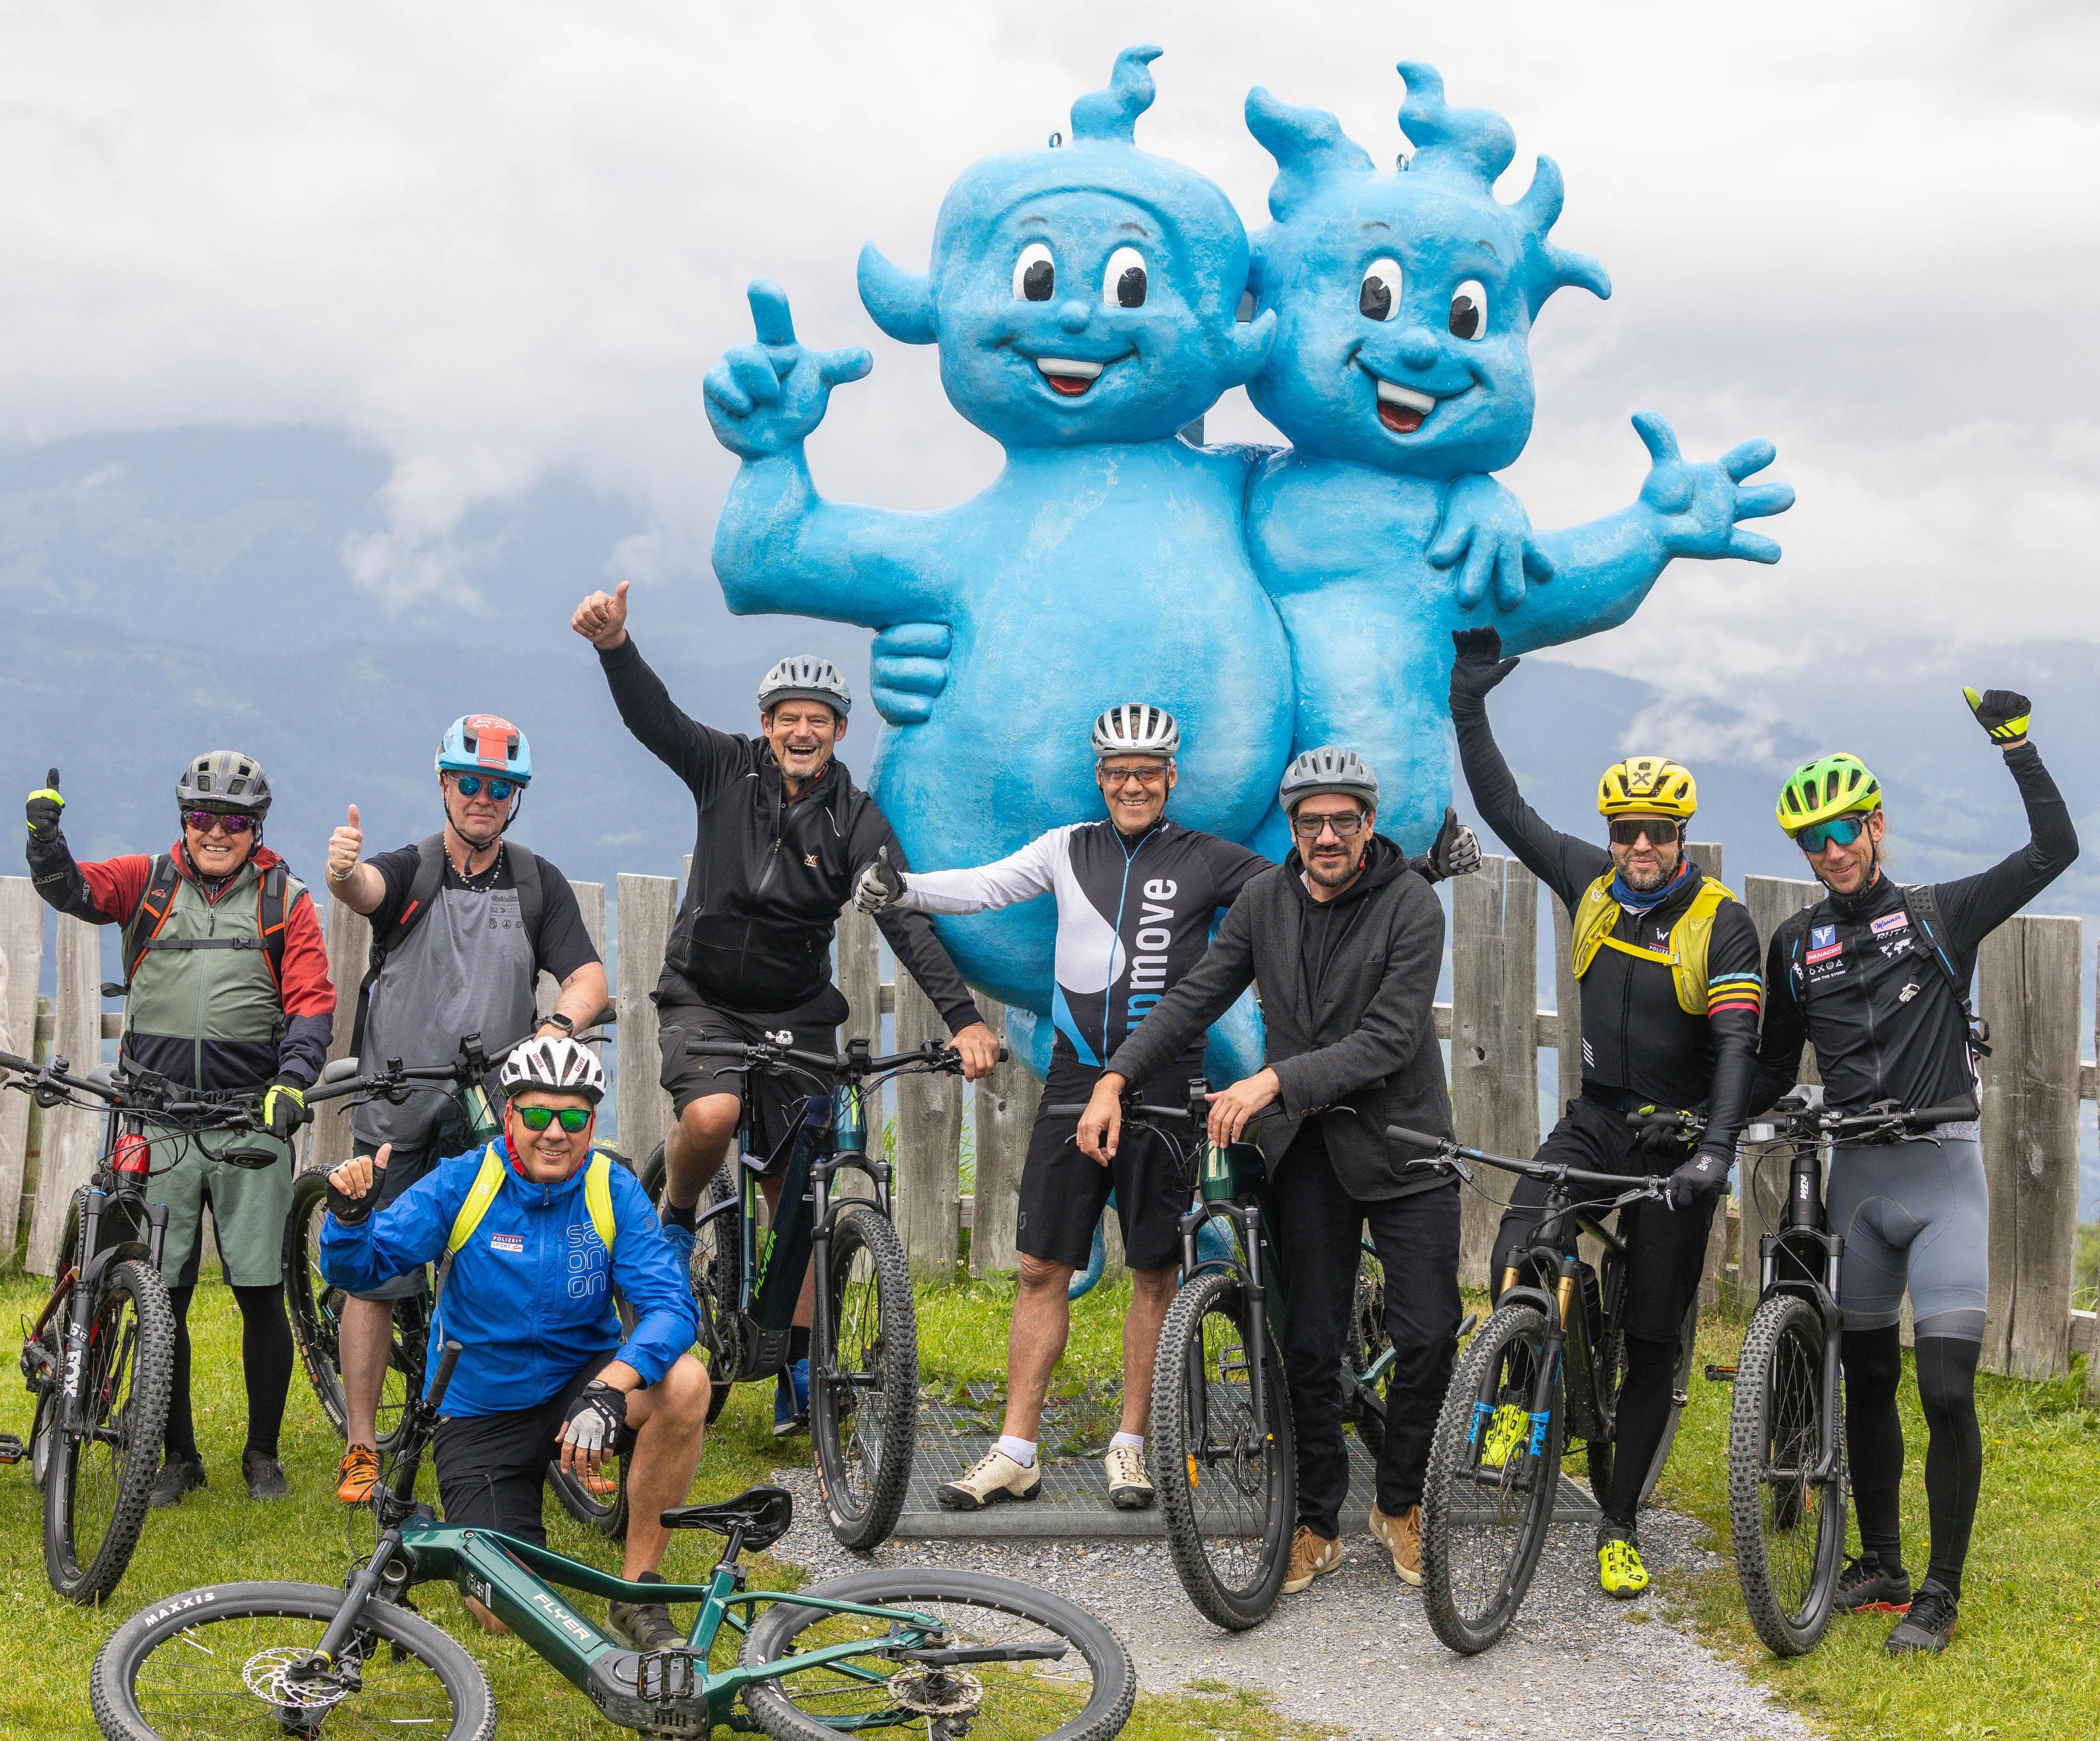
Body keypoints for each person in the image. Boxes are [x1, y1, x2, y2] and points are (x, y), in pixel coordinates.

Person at [572, 579, 998, 1435]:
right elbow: (655, 719)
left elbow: (902, 919)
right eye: (786, 717)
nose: (801, 731)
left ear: (840, 732)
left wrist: (963, 1019)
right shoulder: (724, 769)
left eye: (819, 720)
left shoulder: (856, 820)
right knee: (714, 1111)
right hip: (704, 997)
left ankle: (797, 1370)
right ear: (765, 724)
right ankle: (679, 1213)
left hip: (799, 1012)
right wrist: (615, 646)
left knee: (796, 1192)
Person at [855, 703, 1268, 1511]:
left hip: (1167, 1084)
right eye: (1118, 772)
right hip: (1075, 1080)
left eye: (1147, 771)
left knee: (1154, 1269)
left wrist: (1417, 868)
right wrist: (903, 889)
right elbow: (983, 887)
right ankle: (1015, 1449)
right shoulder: (1066, 848)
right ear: (1099, 778)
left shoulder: (1208, 858)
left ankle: (1130, 1443)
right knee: (1042, 1264)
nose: (1132, 785)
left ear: (1171, 776)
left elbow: (1304, 889)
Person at [1077, 746, 1459, 1594]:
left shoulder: (1408, 906)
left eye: (1343, 819)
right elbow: (1191, 997)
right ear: (1292, 827)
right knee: (1306, 1345)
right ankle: (1317, 1521)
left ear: (1368, 823)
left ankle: (1398, 1503)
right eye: (1310, 820)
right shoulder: (1264, 900)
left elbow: (1390, 1040)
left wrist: (1275, 1078)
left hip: (1404, 1147)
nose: (1326, 835)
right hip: (1310, 1154)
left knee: (1429, 1333)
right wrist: (1115, 1077)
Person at [1751, 688, 2076, 1655]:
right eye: (1812, 839)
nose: (1830, 849)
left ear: (1876, 823)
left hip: (1940, 1178)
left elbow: (2050, 851)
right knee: (1866, 1379)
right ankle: (1883, 1561)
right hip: (1858, 1177)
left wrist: (2013, 744)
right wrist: (1704, 1114)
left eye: (1844, 827)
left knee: (1943, 1388)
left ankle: (1938, 1588)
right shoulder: (1793, 944)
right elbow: (1771, 1062)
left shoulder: (1940, 914)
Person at [1448, 626, 1763, 1597]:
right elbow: (1505, 810)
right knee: (1519, 1240)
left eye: (1653, 834)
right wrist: (1469, 702)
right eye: (1623, 830)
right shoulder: (1588, 881)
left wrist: (1713, 1151)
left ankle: (1618, 1521)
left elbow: (1736, 1047)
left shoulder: (1719, 920)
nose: (1635, 846)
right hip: (1595, 1116)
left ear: (1679, 840)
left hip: (1677, 1139)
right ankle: (1510, 1400)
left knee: (1658, 1334)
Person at [320, 1037, 707, 1649]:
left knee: (686, 1382)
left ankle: (639, 1593)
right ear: (510, 1117)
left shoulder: (613, 1187)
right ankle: (446, 1524)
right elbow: (364, 1271)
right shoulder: (466, 1181)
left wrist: (614, 1383)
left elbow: (670, 1307)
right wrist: (349, 1220)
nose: (555, 1131)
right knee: (506, 1612)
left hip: (583, 1387)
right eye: (537, 1114)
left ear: (591, 1124)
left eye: (573, 1117)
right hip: (480, 1411)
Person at [24, 754, 335, 1504]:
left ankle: (262, 1454)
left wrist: (292, 1082)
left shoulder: (284, 901)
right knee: (166, 1292)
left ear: (256, 827)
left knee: (261, 1291)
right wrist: (45, 843)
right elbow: (73, 892)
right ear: (183, 822)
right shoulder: (147, 882)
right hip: (157, 1114)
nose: (217, 832)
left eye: (233, 820)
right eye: (202, 817)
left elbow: (312, 1002)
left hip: (246, 1117)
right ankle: (178, 1456)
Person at [318, 714, 610, 1503]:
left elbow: (588, 977)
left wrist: (554, 1026)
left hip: (491, 1105)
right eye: (470, 784)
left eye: (499, 788)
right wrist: (343, 871)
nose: (483, 799)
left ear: (514, 799)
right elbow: (362, 891)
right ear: (444, 785)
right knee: (376, 1274)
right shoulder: (409, 869)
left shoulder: (535, 881)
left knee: (498, 1261)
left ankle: (500, 1422)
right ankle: (360, 1445)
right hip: (398, 1098)